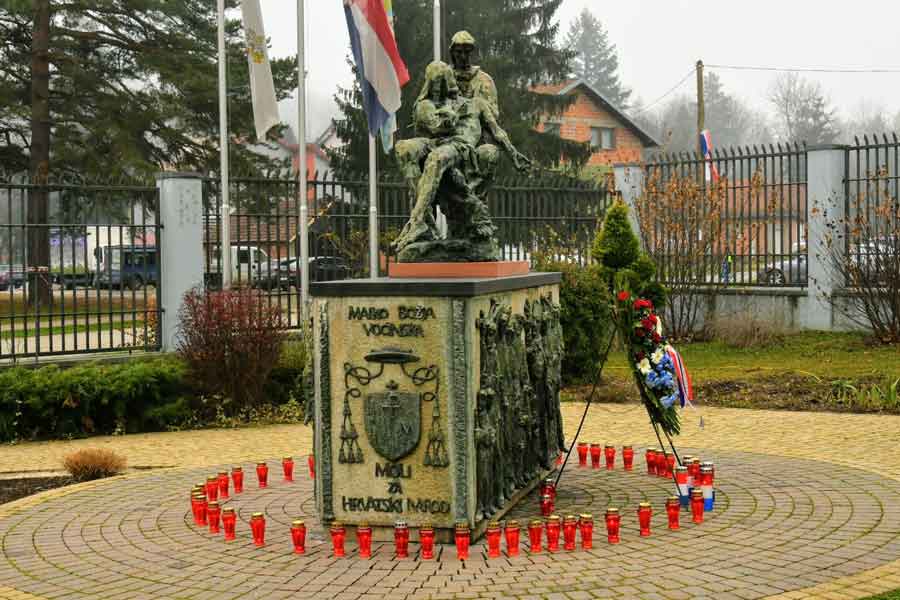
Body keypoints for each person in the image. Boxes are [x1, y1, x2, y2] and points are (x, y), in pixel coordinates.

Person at [393, 61, 529, 253]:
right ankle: (425, 222)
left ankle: (417, 221)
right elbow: (432, 128)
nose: (437, 89)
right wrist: (439, 120)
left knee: (436, 158)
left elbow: (497, 132)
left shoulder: (477, 104)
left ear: (449, 82)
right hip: (436, 142)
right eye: (434, 84)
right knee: (403, 148)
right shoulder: (429, 105)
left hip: (459, 146)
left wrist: (514, 154)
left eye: (441, 83)